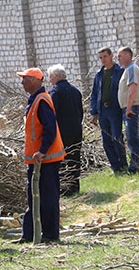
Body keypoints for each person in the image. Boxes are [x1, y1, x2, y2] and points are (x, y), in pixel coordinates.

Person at [17, 68, 65, 243]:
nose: (22, 83)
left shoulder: (42, 100)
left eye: (25, 79)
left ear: (35, 80)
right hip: (37, 159)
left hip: (47, 159)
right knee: (33, 196)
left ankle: (51, 235)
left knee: (48, 197)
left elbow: (50, 129)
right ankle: (29, 234)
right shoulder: (35, 99)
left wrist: (42, 150)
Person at [89, 47, 127, 173]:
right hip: (102, 111)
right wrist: (93, 112)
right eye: (100, 58)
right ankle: (115, 166)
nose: (103, 60)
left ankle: (123, 164)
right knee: (106, 141)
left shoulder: (119, 71)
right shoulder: (99, 74)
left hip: (115, 109)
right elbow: (94, 94)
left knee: (116, 137)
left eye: (105, 57)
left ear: (111, 56)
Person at [47, 64, 83, 196]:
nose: (49, 80)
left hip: (61, 132)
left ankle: (63, 188)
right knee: (74, 158)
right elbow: (81, 112)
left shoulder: (55, 92)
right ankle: (74, 187)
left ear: (56, 76)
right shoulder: (75, 91)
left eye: (50, 77)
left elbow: (51, 114)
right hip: (76, 130)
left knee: (60, 160)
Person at [117, 47, 139, 173]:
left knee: (133, 138)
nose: (118, 59)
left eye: (120, 56)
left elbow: (132, 88)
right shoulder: (126, 70)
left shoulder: (132, 68)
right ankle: (138, 165)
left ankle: (136, 167)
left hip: (133, 108)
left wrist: (128, 108)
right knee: (134, 137)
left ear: (128, 56)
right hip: (129, 108)